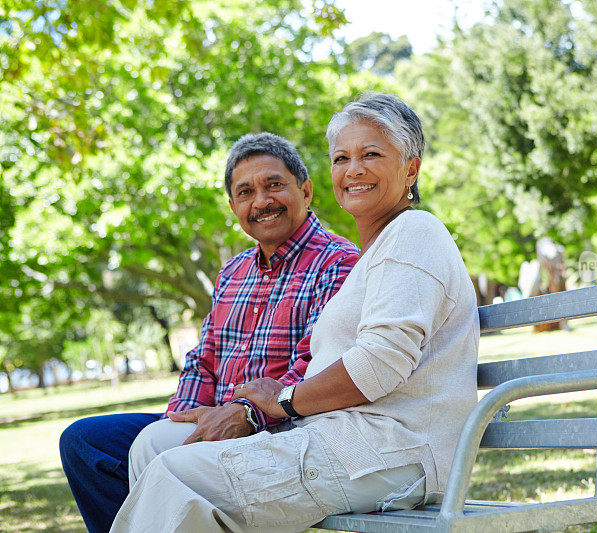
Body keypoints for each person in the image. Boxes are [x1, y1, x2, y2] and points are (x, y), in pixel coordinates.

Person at [110, 93, 479, 533]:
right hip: (341, 440)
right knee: (158, 451)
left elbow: (380, 363)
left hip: (393, 451)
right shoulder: (378, 253)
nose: (353, 169)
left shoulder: (415, 232)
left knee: (178, 475)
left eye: (371, 154)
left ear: (410, 169)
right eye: (341, 158)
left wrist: (280, 401)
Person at [59, 132, 359, 533]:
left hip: (277, 429)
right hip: (210, 414)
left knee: (156, 454)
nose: (261, 201)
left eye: (274, 185)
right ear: (233, 206)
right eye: (246, 192)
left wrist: (247, 414)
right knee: (85, 441)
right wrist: (183, 418)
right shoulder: (233, 272)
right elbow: (204, 358)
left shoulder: (338, 263)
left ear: (305, 190)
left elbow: (314, 364)